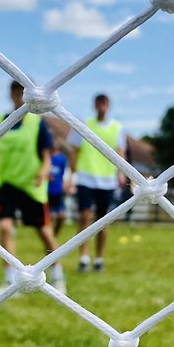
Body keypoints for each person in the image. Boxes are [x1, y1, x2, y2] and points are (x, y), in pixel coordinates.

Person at [0, 82, 67, 295]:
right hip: (6, 185)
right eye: (15, 93)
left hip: (32, 187)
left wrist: (43, 172)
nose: (19, 98)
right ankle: (10, 281)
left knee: (45, 232)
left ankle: (58, 275)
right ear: (11, 95)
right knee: (5, 229)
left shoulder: (38, 124)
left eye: (22, 94)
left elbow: (47, 158)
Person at [68, 93, 126, 273]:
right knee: (84, 216)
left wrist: (122, 173)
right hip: (86, 178)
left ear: (108, 106)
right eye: (98, 102)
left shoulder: (117, 127)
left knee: (103, 222)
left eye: (104, 102)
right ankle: (84, 258)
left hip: (107, 181)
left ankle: (99, 258)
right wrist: (72, 174)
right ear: (94, 105)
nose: (101, 105)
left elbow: (120, 152)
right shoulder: (85, 124)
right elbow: (74, 150)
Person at [48, 140, 69, 236]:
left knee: (61, 216)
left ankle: (54, 233)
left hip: (58, 191)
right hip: (46, 191)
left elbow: (66, 172)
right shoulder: (46, 157)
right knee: (48, 217)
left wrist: (66, 184)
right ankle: (50, 236)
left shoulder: (62, 158)